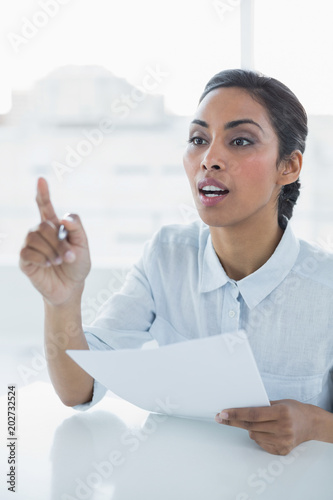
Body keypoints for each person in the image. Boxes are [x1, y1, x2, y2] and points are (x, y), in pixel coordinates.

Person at [19, 69, 333, 456]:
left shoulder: (327, 288)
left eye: (240, 140)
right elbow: (78, 389)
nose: (210, 158)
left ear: (289, 166)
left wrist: (316, 424)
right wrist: (62, 301)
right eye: (198, 140)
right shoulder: (166, 255)